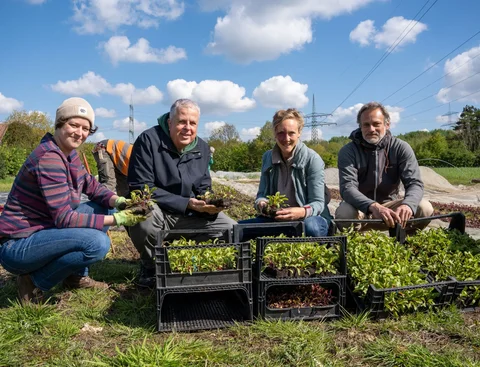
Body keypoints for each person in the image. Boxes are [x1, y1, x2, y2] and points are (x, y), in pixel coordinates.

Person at [0, 97, 146, 304]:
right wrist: (119, 220)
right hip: (18, 244)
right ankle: (33, 282)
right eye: (73, 125)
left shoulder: (69, 154)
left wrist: (119, 202)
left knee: (105, 208)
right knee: (97, 243)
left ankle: (75, 277)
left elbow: (91, 185)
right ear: (60, 124)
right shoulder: (49, 158)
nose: (80, 133)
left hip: (43, 229)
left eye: (85, 128)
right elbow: (64, 219)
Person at [127, 98, 237, 287]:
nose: (187, 128)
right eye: (182, 122)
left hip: (188, 214)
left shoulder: (201, 148)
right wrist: (186, 202)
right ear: (170, 122)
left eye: (192, 123)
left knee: (232, 229)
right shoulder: (148, 140)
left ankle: (190, 261)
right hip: (158, 213)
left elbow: (203, 186)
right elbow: (141, 187)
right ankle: (150, 265)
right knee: (141, 215)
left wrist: (209, 203)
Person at [336, 101, 433, 233]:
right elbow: (348, 188)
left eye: (376, 124)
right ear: (360, 126)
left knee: (424, 207)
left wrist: (408, 204)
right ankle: (355, 245)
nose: (371, 129)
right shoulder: (349, 151)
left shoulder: (400, 147)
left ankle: (406, 242)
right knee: (344, 212)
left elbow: (414, 182)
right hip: (361, 208)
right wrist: (372, 206)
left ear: (387, 125)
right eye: (366, 125)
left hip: (391, 208)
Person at [238, 108, 331, 237]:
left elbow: (318, 203)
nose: (286, 138)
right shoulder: (268, 158)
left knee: (312, 229)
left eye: (291, 133)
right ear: (275, 133)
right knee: (239, 229)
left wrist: (301, 212)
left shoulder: (312, 159)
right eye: (281, 133)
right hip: (277, 219)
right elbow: (261, 195)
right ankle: (287, 234)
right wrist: (262, 205)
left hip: (309, 218)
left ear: (299, 133)